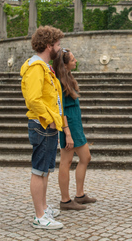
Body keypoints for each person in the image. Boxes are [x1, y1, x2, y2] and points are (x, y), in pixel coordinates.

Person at [20, 25, 65, 230]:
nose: (59, 48)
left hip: (47, 125)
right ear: (49, 46)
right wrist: (51, 120)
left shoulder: (44, 66)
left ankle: (44, 208)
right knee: (38, 171)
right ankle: (40, 216)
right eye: (57, 44)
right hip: (42, 125)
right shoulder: (36, 68)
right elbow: (34, 99)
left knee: (45, 170)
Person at [53, 48, 97, 211]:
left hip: (75, 125)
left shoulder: (68, 78)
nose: (75, 61)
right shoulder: (58, 81)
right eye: (72, 59)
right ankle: (65, 200)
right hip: (68, 126)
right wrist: (67, 133)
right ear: (64, 64)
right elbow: (61, 109)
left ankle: (80, 194)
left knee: (85, 157)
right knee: (66, 161)